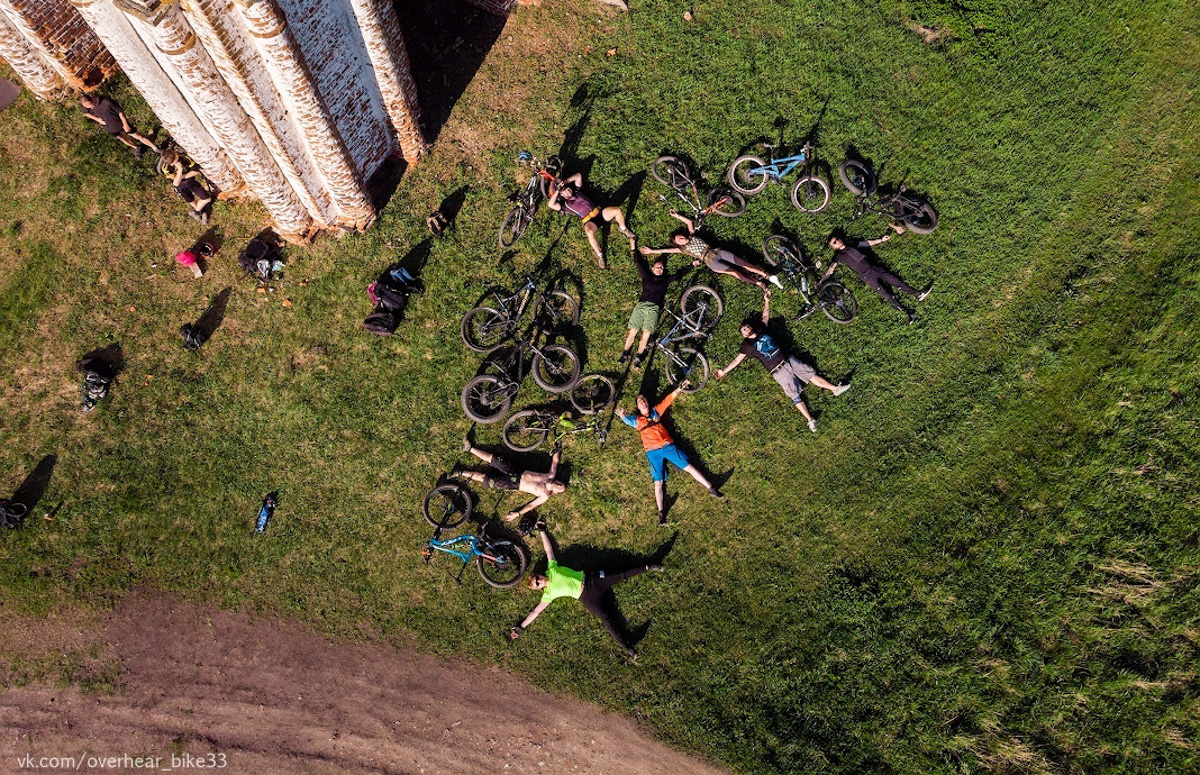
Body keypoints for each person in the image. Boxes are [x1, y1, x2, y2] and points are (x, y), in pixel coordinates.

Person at [509, 524, 661, 660]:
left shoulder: (552, 569)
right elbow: (536, 612)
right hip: (586, 597)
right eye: (537, 584)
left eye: (537, 578)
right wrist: (521, 627)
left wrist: (542, 531)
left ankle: (648, 566)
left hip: (592, 580)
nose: (538, 580)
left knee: (620, 575)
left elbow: (549, 550)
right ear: (539, 588)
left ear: (539, 574)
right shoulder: (548, 594)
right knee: (606, 619)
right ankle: (627, 646)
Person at [715, 289, 850, 432]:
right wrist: (724, 371)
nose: (746, 330)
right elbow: (737, 360)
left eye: (747, 327)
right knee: (794, 395)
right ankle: (810, 420)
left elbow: (766, 316)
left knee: (811, 375)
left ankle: (835, 389)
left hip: (788, 360)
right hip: (778, 371)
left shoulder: (761, 329)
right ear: (743, 336)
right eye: (743, 330)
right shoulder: (747, 346)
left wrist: (767, 300)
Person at [616, 381, 723, 525]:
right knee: (658, 482)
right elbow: (627, 420)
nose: (644, 403)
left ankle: (711, 488)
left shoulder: (655, 412)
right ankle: (661, 514)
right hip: (653, 453)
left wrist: (679, 389)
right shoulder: (637, 420)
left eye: (645, 401)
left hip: (668, 447)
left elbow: (667, 400)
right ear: (638, 406)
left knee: (689, 467)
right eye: (641, 402)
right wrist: (622, 416)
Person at [639, 209, 782, 289]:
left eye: (680, 237)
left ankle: (767, 275)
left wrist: (677, 215)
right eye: (679, 241)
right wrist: (652, 251)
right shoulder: (683, 250)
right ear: (679, 245)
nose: (682, 239)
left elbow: (689, 222)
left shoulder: (692, 234)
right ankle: (759, 283)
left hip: (716, 252)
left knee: (742, 263)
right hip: (711, 263)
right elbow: (666, 250)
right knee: (734, 273)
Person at [824, 224, 932, 322]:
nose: (837, 241)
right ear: (833, 247)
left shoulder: (851, 243)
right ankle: (907, 312)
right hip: (867, 276)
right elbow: (831, 269)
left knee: (896, 281)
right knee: (887, 294)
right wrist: (822, 281)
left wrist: (881, 240)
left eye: (837, 239)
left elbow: (866, 243)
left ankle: (918, 294)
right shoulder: (838, 256)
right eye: (834, 242)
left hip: (875, 267)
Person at [452, 437, 567, 522]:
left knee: (485, 478)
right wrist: (559, 446)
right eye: (561, 484)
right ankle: (469, 448)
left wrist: (517, 514)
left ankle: (460, 472)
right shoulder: (550, 475)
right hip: (517, 470)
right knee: (492, 459)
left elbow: (531, 505)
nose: (559, 486)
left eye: (560, 489)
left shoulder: (544, 495)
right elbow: (555, 461)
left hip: (512, 484)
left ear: (555, 493)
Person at [547, 172, 635, 268]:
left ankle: (623, 229)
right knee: (589, 232)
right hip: (590, 221)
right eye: (565, 192)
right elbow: (550, 204)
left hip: (600, 213)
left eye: (568, 189)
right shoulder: (565, 205)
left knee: (617, 210)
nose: (568, 192)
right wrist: (557, 191)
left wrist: (566, 181)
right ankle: (600, 255)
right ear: (561, 195)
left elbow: (578, 176)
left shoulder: (577, 190)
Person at [620, 249, 690, 369]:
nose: (660, 269)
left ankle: (638, 356)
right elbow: (639, 263)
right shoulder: (646, 276)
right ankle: (625, 353)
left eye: (662, 268)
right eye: (658, 267)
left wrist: (691, 266)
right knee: (633, 331)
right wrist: (634, 248)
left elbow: (678, 274)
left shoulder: (665, 280)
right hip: (641, 306)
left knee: (646, 333)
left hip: (654, 308)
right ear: (652, 268)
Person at [79, 94, 159, 159]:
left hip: (121, 123)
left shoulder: (106, 102)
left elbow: (120, 112)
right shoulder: (88, 106)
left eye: (91, 105)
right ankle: (136, 147)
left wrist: (125, 124)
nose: (92, 108)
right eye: (89, 107)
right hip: (110, 127)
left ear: (93, 98)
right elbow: (85, 113)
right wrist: (97, 119)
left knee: (138, 136)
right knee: (122, 138)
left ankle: (155, 148)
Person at [159, 148, 213, 224]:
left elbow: (195, 172)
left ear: (175, 156)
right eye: (170, 164)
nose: (171, 165)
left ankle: (196, 212)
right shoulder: (165, 167)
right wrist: (180, 170)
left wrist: (180, 175)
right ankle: (202, 211)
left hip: (191, 182)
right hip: (180, 187)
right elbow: (176, 183)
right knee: (191, 200)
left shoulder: (184, 158)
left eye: (173, 163)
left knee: (207, 199)